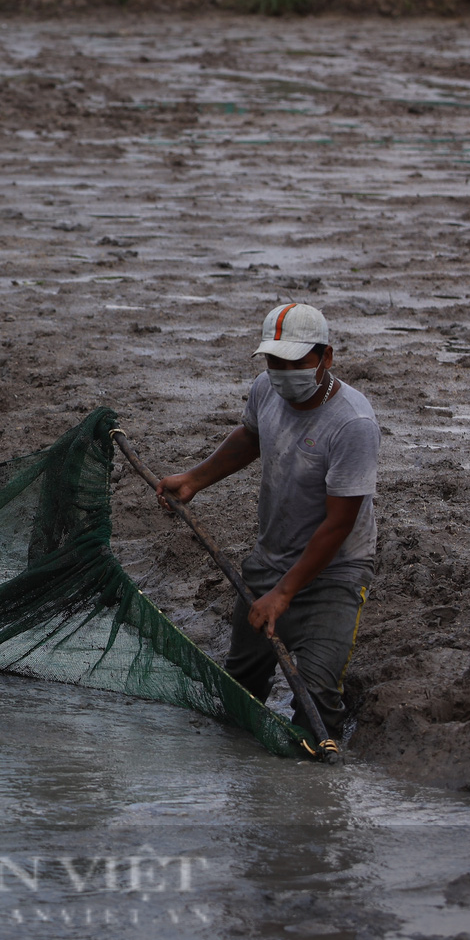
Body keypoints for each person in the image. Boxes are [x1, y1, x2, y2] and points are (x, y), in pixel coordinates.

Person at [155, 302, 379, 741]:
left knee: (316, 698)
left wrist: (283, 594)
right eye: (274, 361)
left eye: (295, 362)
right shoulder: (265, 389)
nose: (282, 371)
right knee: (240, 683)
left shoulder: (353, 423)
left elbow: (338, 524)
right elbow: (252, 436)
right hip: (270, 557)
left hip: (335, 572)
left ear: (325, 358)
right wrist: (194, 480)